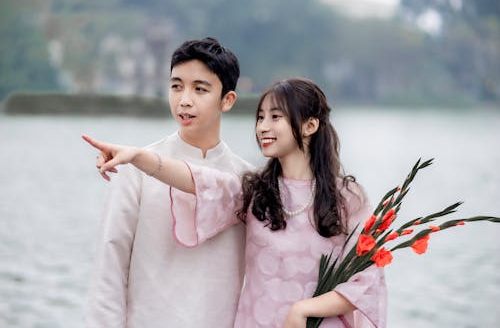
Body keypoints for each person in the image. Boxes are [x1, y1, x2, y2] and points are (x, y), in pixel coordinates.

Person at [83, 78, 387, 328]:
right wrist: (137, 156)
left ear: (309, 125)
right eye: (260, 118)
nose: (263, 127)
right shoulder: (255, 191)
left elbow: (365, 278)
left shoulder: (348, 197)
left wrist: (303, 310)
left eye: (275, 117)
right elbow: (194, 178)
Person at [84, 37, 253, 328]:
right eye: (176, 86)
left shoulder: (247, 181)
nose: (184, 99)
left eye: (200, 89)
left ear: (227, 100)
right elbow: (110, 264)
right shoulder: (134, 166)